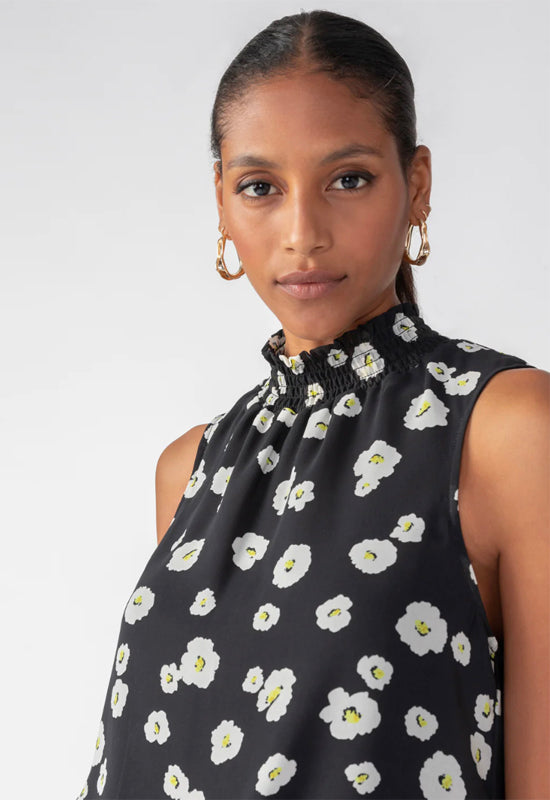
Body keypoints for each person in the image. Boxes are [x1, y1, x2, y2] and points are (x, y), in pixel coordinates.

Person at [76, 10, 549, 800]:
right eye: (260, 187)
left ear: (417, 186)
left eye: (348, 178)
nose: (303, 233)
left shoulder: (507, 429)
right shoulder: (189, 470)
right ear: (222, 205)